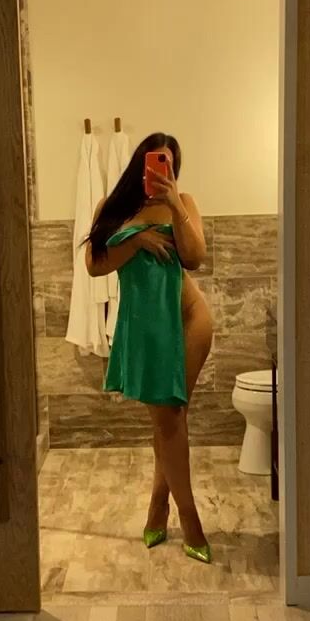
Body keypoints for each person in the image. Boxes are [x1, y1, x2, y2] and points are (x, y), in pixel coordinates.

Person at [85, 132, 213, 562]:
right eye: (156, 160)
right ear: (139, 162)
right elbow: (94, 266)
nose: (163, 169)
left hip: (190, 321)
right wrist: (136, 239)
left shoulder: (183, 202)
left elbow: (194, 257)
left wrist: (175, 204)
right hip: (147, 331)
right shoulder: (111, 208)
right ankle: (161, 505)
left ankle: (185, 519)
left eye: (170, 163)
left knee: (170, 419)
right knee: (169, 421)